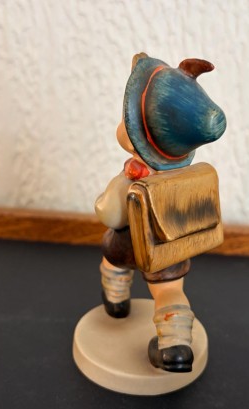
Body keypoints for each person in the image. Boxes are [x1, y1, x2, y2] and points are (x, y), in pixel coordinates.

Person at [94, 53, 226, 372]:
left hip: (129, 244)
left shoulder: (132, 180)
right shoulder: (187, 178)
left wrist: (115, 189)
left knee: (113, 260)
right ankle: (175, 344)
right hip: (169, 250)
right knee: (169, 291)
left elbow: (110, 215)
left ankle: (116, 298)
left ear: (135, 137)